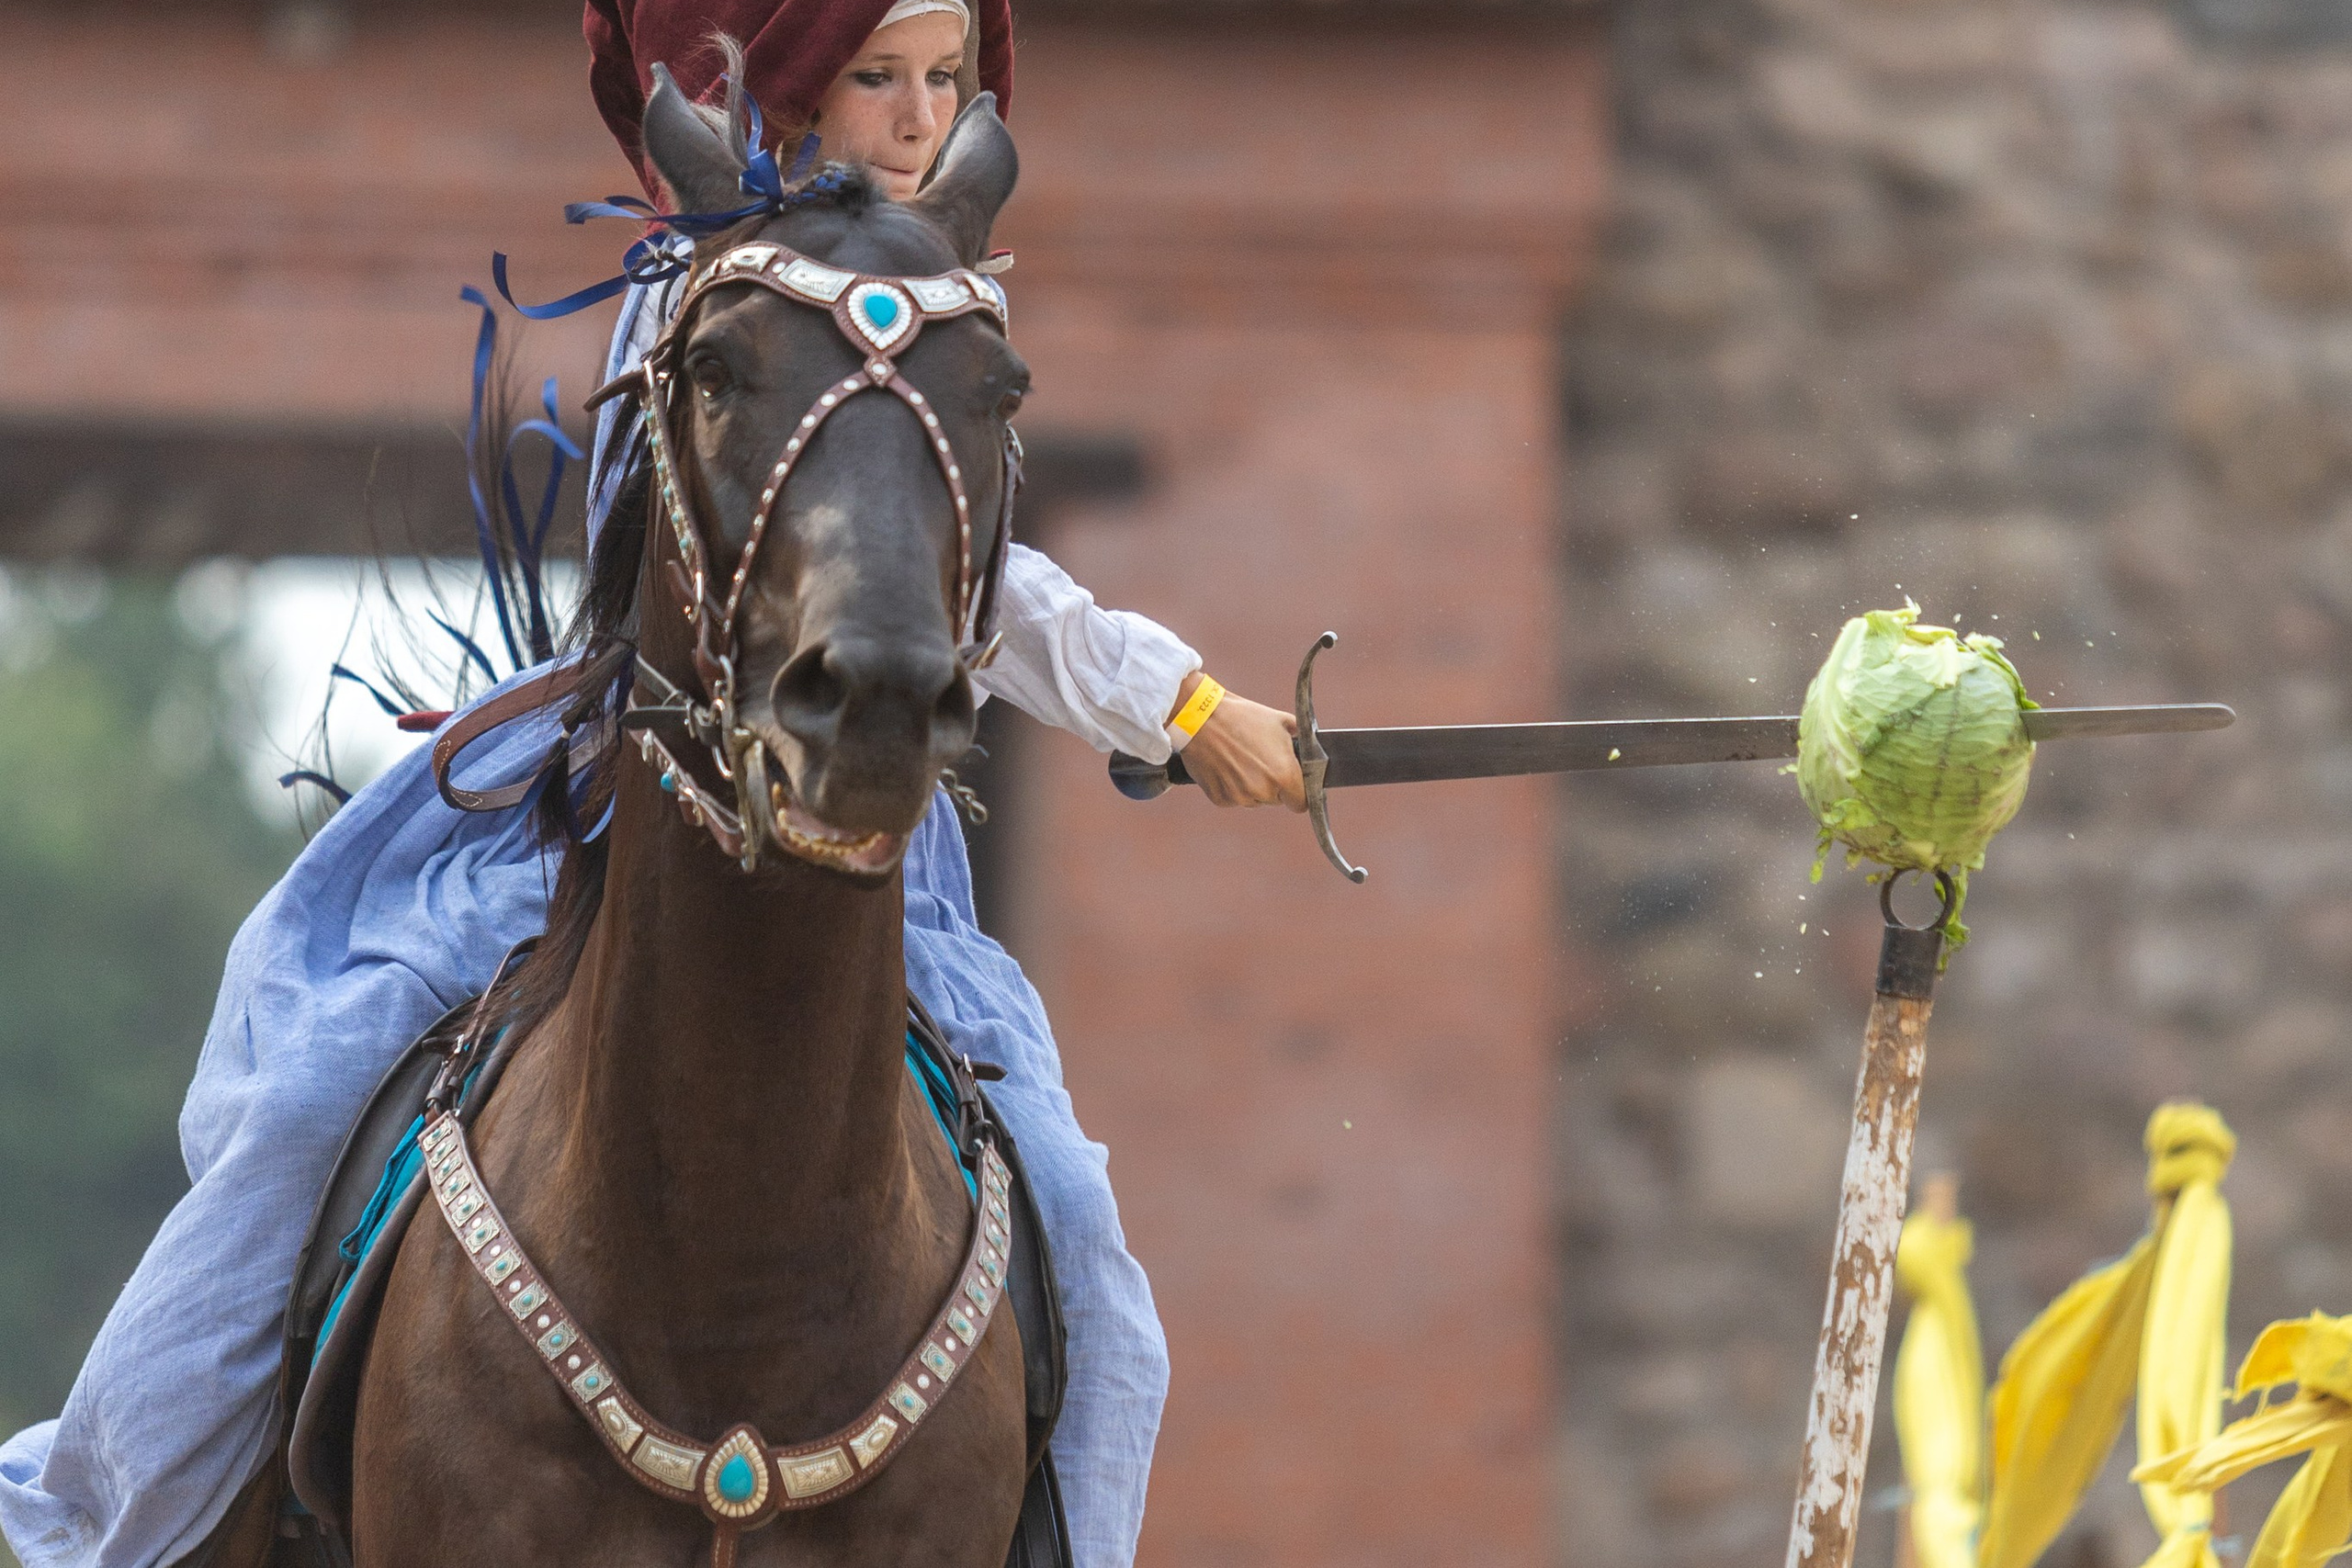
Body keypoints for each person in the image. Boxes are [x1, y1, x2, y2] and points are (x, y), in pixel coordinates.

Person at [0, 3, 1304, 1565]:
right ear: (800, 93)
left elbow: (973, 577)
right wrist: (1173, 693)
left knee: (1091, 1256)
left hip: (893, 879)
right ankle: (111, 1523)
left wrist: (1191, 707)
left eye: (944, 80)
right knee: (302, 1114)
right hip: (588, 819)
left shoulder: (952, 327)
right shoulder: (710, 296)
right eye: (877, 76)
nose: (913, 113)